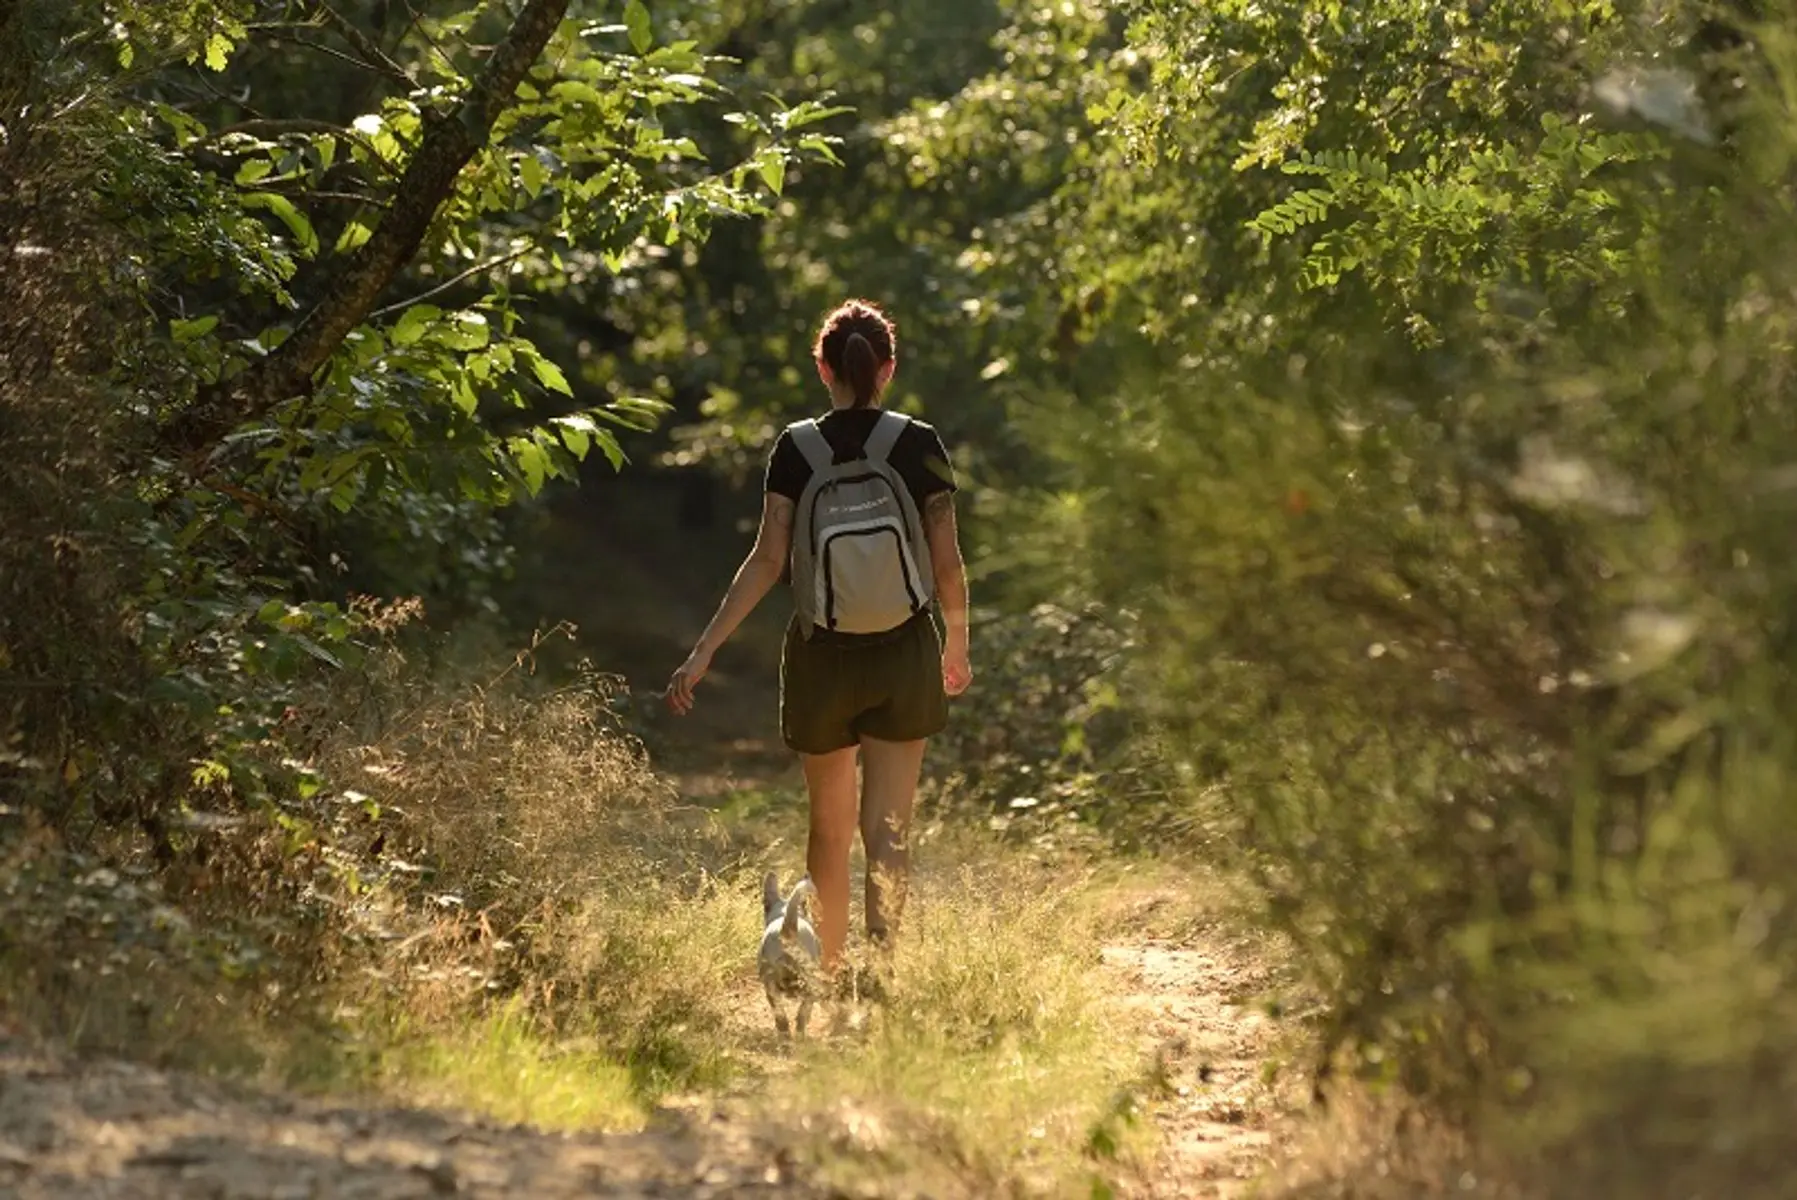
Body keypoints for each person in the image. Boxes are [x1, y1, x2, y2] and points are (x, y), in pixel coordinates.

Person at [665, 298, 972, 977]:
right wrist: (956, 647)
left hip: (819, 658)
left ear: (822, 368)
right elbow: (947, 562)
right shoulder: (920, 443)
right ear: (886, 368)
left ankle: (828, 969)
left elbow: (767, 562)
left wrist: (705, 649)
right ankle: (883, 974)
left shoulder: (795, 449)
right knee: (887, 831)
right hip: (905, 651)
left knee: (829, 831)